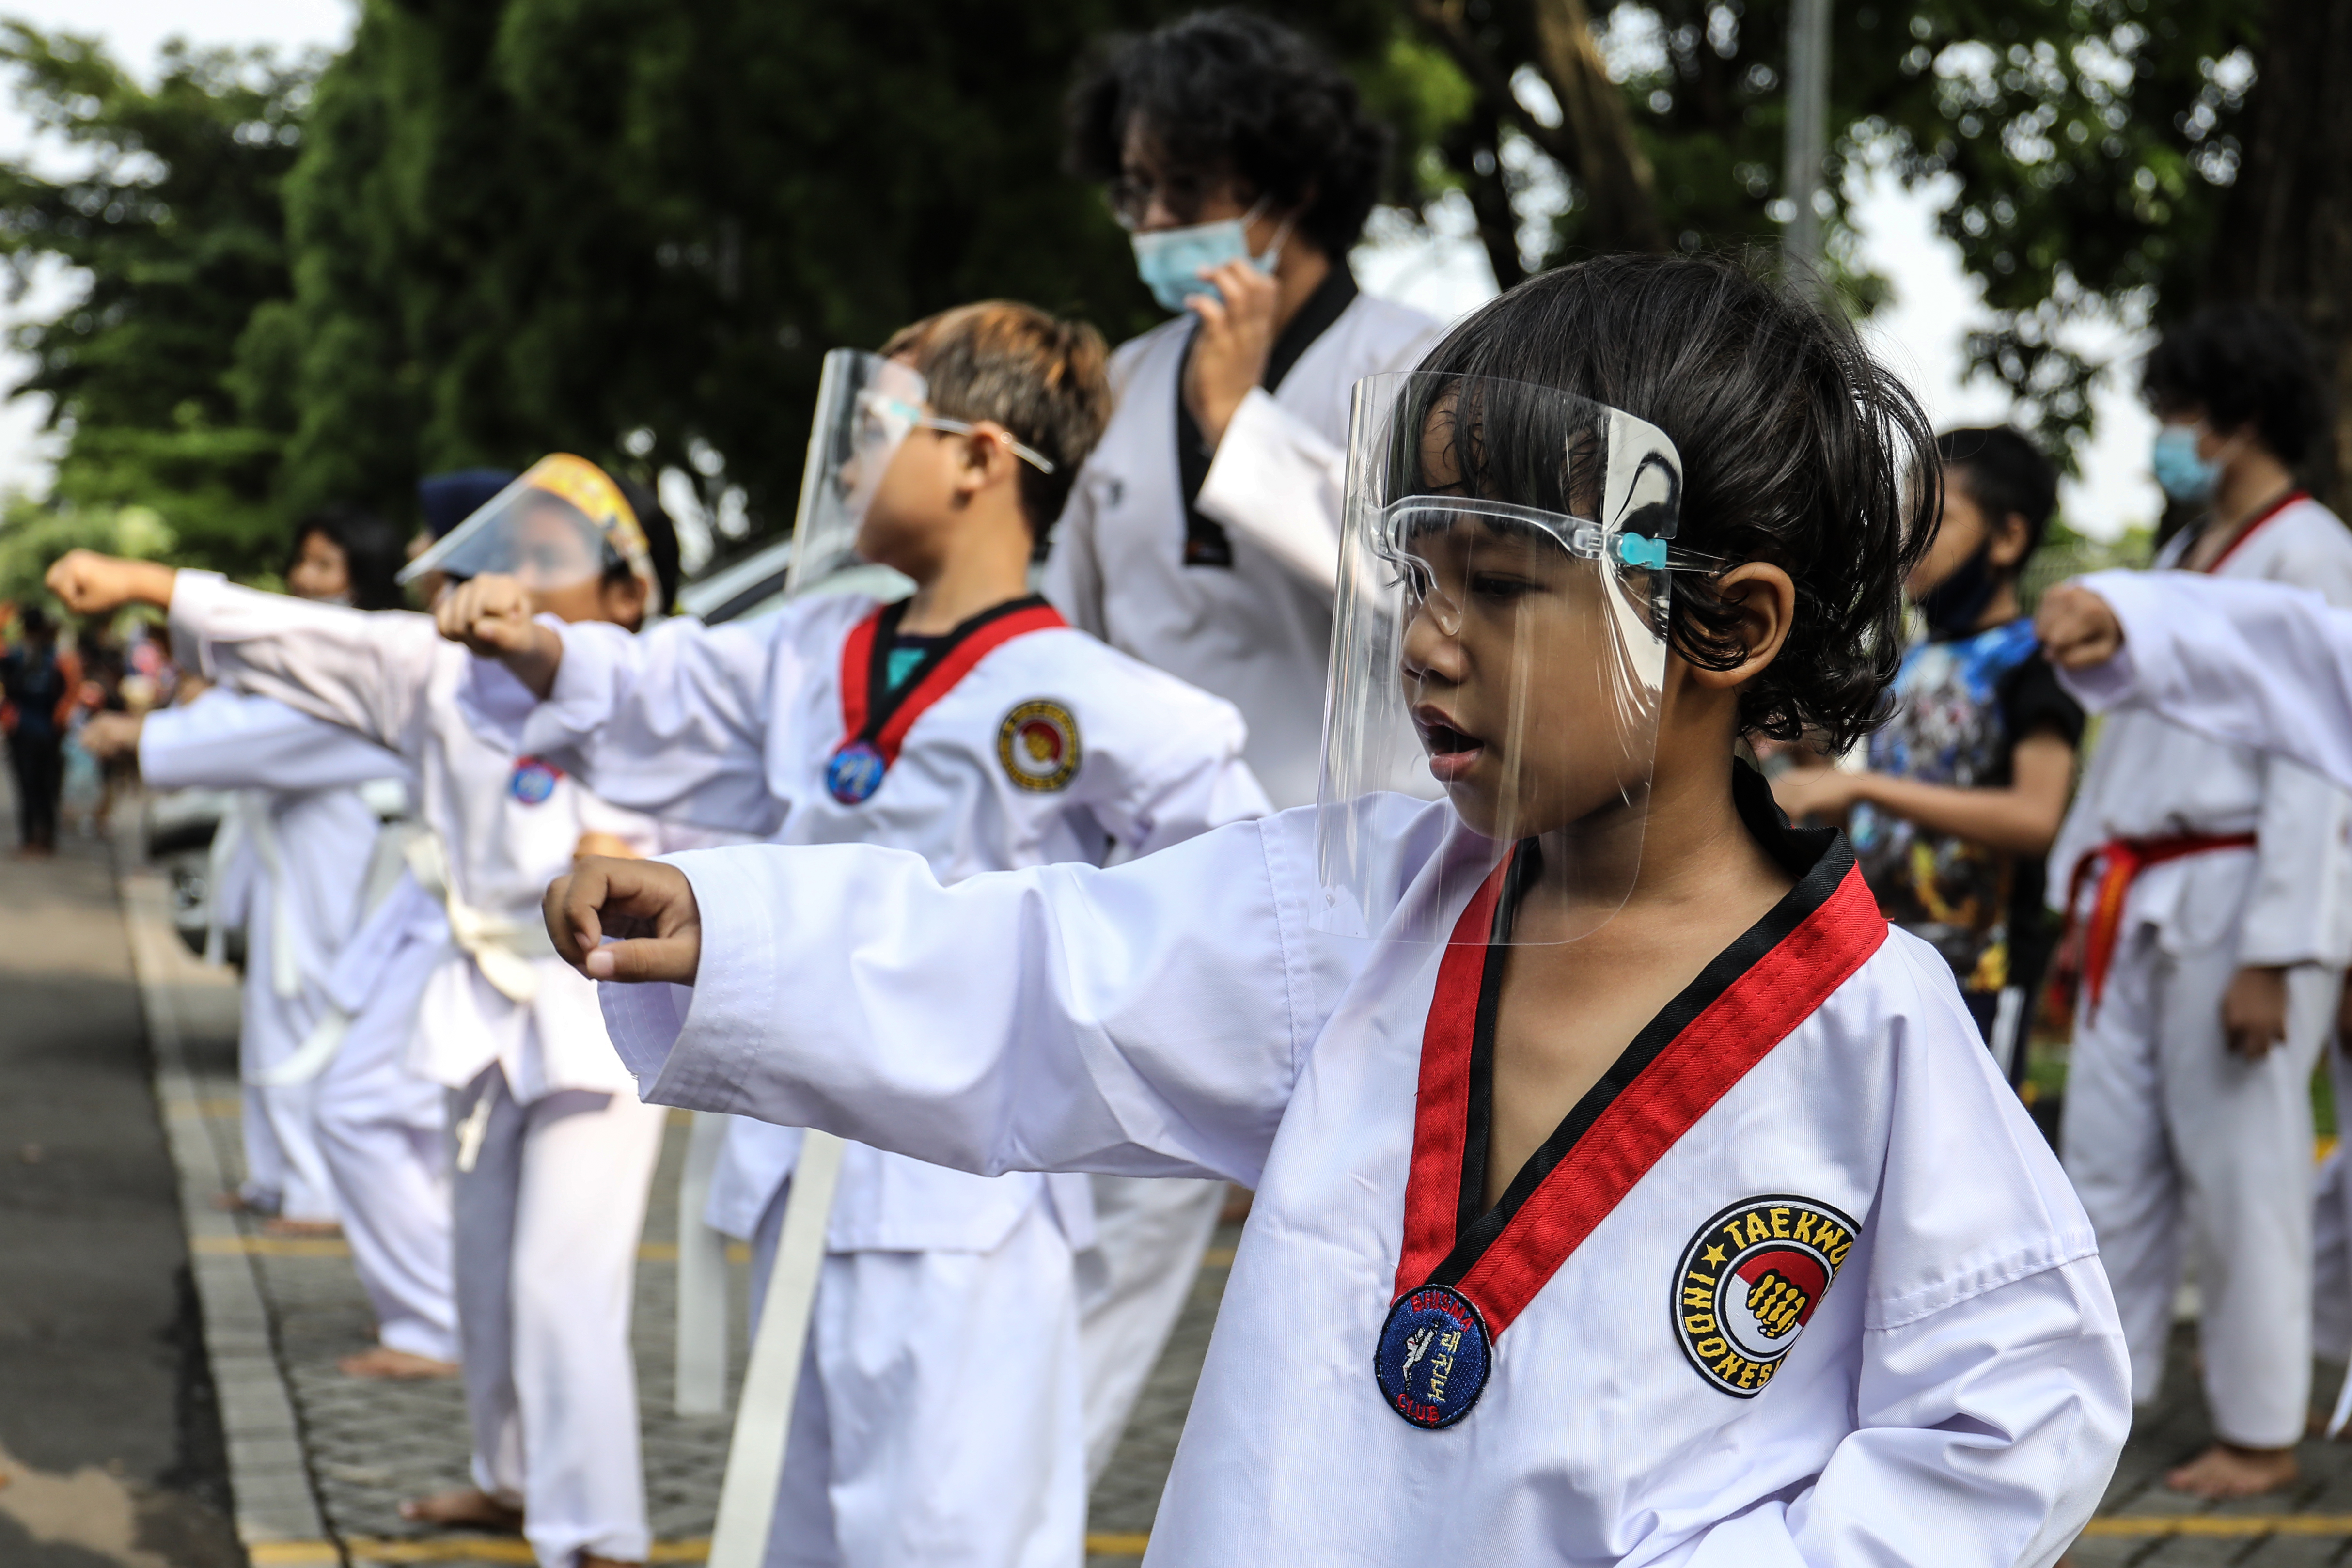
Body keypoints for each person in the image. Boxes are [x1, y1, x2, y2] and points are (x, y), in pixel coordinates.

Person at [546, 255, 2129, 1564]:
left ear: (1722, 620)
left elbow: (2015, 1402)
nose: (1426, 642)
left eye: (1496, 584)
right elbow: (1041, 975)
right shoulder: (1349, 913)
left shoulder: (1876, 1037)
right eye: (1416, 576)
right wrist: (743, 935)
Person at [437, 301, 1269, 1568]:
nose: (842, 460)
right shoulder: (812, 648)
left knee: (950, 1531)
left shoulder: (1115, 707)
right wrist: (536, 647)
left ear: (979, 459)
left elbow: (1236, 918)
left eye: (875, 424)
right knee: (801, 1517)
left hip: (969, 1190)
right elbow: (658, 690)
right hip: (802, 1157)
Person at [49, 457, 686, 1568]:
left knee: (561, 1280)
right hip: (475, 989)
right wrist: (149, 582)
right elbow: (300, 636)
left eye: (546, 559)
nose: (508, 577)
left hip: (602, 1005)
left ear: (627, 593)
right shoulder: (436, 670)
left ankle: (600, 1534)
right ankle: (511, 1478)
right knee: (483, 1262)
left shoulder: (672, 686)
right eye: (502, 553)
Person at [1051, 8, 1444, 1474]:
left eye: (1184, 188)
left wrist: (1240, 428)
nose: (1153, 223)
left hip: (1372, 887)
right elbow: (1069, 639)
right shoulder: (1123, 382)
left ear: (1286, 194)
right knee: (1100, 1235)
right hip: (1167, 886)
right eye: (1135, 189)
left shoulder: (1426, 365)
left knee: (1363, 1257)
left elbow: (1431, 589)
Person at [2039, 302, 2352, 1499]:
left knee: (2243, 1169)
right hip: (2134, 889)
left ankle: (2261, 1430)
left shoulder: (2311, 550)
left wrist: (2280, 950)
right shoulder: (2178, 556)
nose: (2167, 435)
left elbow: (2320, 764)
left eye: (2180, 413)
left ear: (2239, 419)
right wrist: (2077, 903)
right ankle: (2097, 1404)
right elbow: (2121, 751)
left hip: (2241, 892)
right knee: (2107, 1166)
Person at [84, 506, 465, 1372]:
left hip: (350, 864)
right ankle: (281, 1176)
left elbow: (267, 736)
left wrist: (148, 732)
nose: (304, 578)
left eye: (326, 566)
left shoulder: (389, 657)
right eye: (304, 563)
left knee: (318, 1026)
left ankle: (315, 1191)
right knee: (279, 1012)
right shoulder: (367, 651)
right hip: (299, 854)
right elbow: (246, 716)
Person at [1773, 427, 2081, 1082]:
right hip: (1888, 959)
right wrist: (1805, 762)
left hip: (1982, 976)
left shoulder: (2034, 665)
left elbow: (2035, 818)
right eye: (1907, 520)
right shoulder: (1908, 664)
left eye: (1936, 521)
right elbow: (1875, 817)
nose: (1909, 541)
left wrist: (1862, 788)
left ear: (2009, 538)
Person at [2, 606, 79, 854]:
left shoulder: (19, 656)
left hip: (28, 729)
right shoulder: (55, 657)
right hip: (47, 729)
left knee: (29, 785)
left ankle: (33, 839)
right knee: (46, 785)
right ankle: (44, 837)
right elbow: (70, 691)